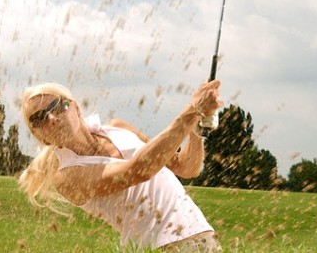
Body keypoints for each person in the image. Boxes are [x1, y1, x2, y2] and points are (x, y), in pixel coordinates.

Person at [17, 80, 224, 252]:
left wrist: (198, 127)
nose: (52, 118)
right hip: (160, 248)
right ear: (39, 136)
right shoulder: (67, 176)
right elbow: (139, 171)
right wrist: (193, 110)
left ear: (75, 107)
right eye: (39, 118)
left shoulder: (118, 127)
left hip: (201, 236)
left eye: (57, 106)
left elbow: (186, 167)